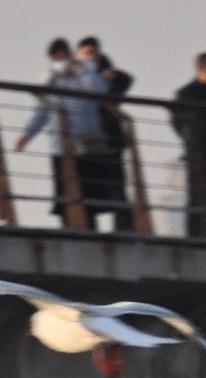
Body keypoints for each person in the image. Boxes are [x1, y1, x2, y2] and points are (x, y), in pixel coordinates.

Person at [15, 38, 109, 230]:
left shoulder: (86, 70)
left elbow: (100, 90)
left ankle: (90, 227)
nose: (60, 60)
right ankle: (68, 226)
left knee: (89, 192)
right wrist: (27, 135)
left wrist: (80, 71)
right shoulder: (50, 79)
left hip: (86, 142)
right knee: (64, 192)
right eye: (55, 56)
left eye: (62, 54)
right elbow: (41, 111)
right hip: (60, 145)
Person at [78, 36, 134, 231]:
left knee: (116, 185)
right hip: (85, 138)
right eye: (86, 53)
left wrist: (110, 76)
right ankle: (88, 226)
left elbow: (125, 80)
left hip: (109, 136)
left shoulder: (107, 71)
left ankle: (124, 226)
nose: (90, 57)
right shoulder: (75, 74)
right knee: (87, 186)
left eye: (93, 52)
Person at [173, 52, 206, 237]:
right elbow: (178, 122)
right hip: (197, 151)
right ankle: (195, 233)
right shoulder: (185, 93)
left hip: (196, 149)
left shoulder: (183, 93)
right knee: (197, 192)